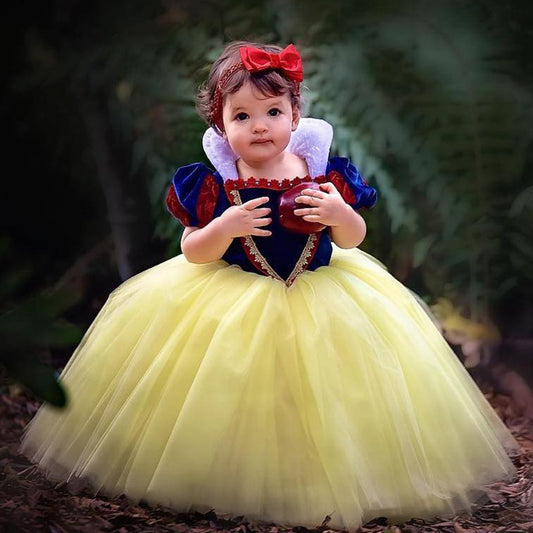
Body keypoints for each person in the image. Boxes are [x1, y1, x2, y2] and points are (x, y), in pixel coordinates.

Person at [20, 41, 519, 530]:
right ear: (220, 125)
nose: (259, 125)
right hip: (233, 300)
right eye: (241, 116)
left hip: (325, 296)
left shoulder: (322, 174)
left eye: (272, 112)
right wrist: (223, 227)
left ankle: (332, 480)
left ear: (295, 115)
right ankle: (229, 478)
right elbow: (192, 250)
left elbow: (351, 239)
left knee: (330, 395)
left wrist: (339, 212)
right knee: (234, 392)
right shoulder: (215, 183)